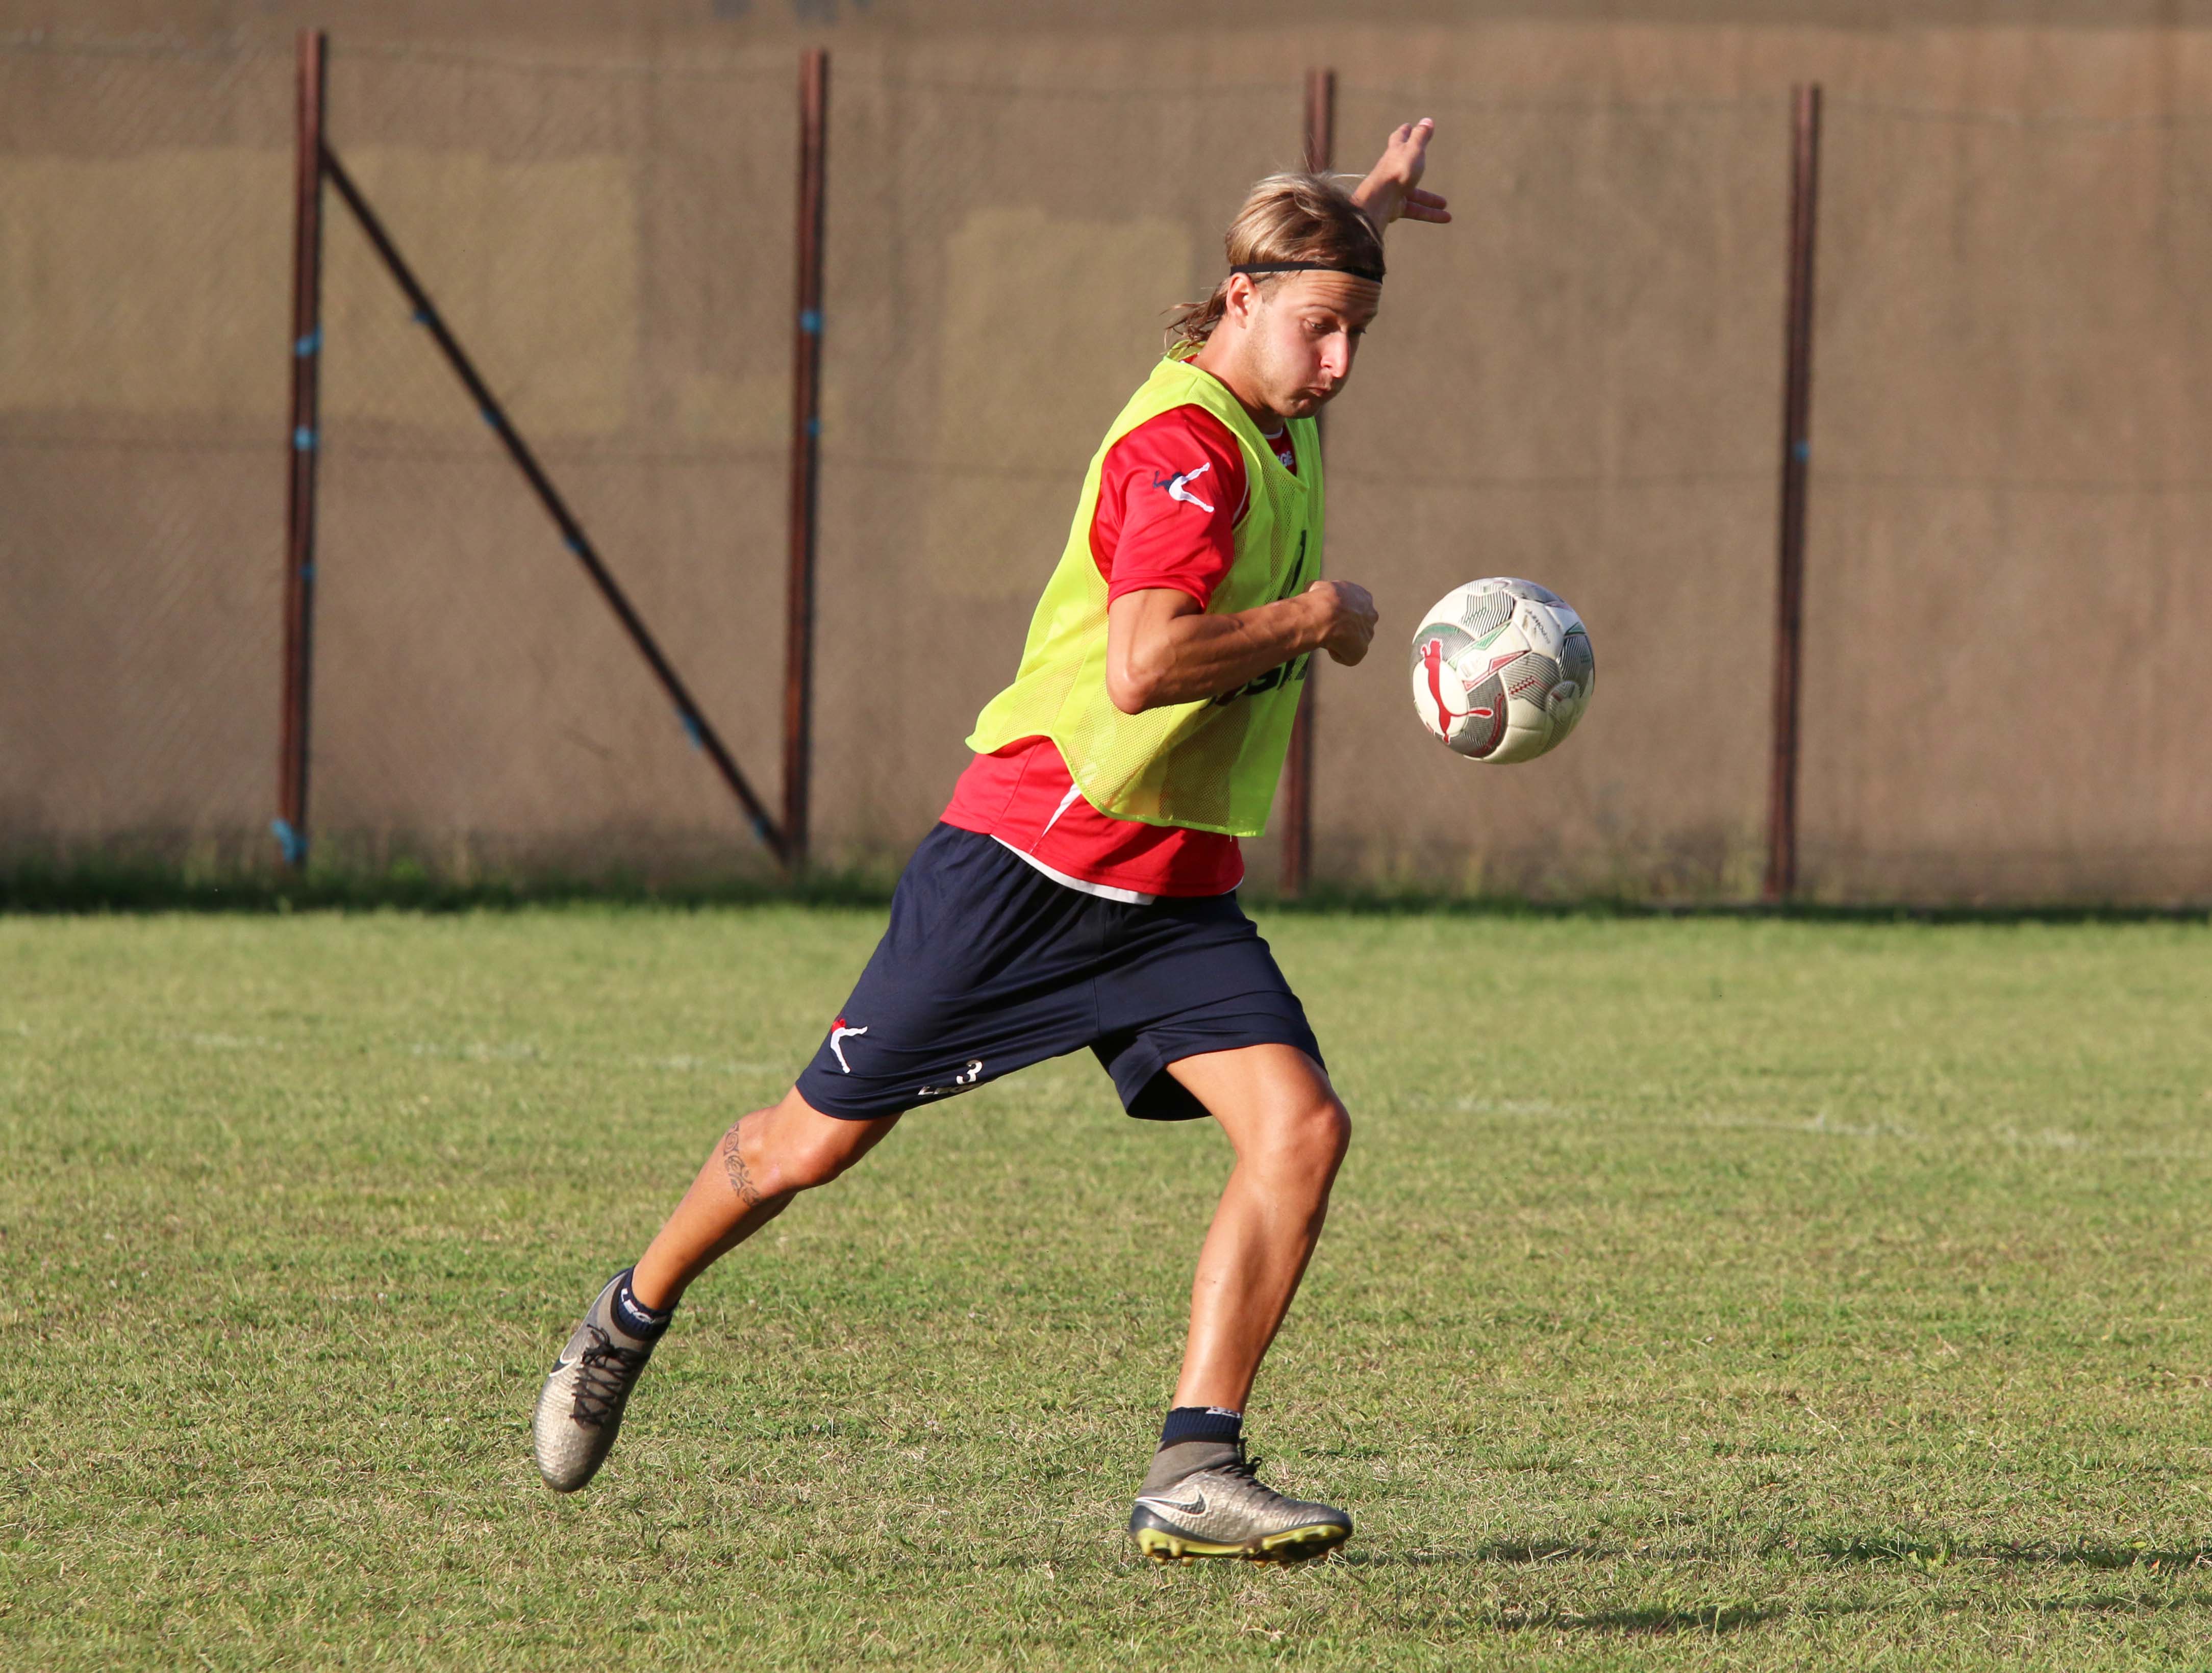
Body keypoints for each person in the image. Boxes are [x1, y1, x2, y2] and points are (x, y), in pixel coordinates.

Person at [533, 119, 1449, 1564]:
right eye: (1321, 329)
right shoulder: (1185, 453)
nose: (1339, 364)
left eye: (1360, 335)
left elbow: (1305, 262)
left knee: (1303, 1129)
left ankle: (1194, 1466)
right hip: (1032, 869)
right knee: (806, 1148)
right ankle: (627, 1317)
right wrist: (1312, 618)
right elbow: (1143, 667)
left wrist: (1368, 201)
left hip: (1169, 892)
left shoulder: (1275, 388)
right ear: (1241, 300)